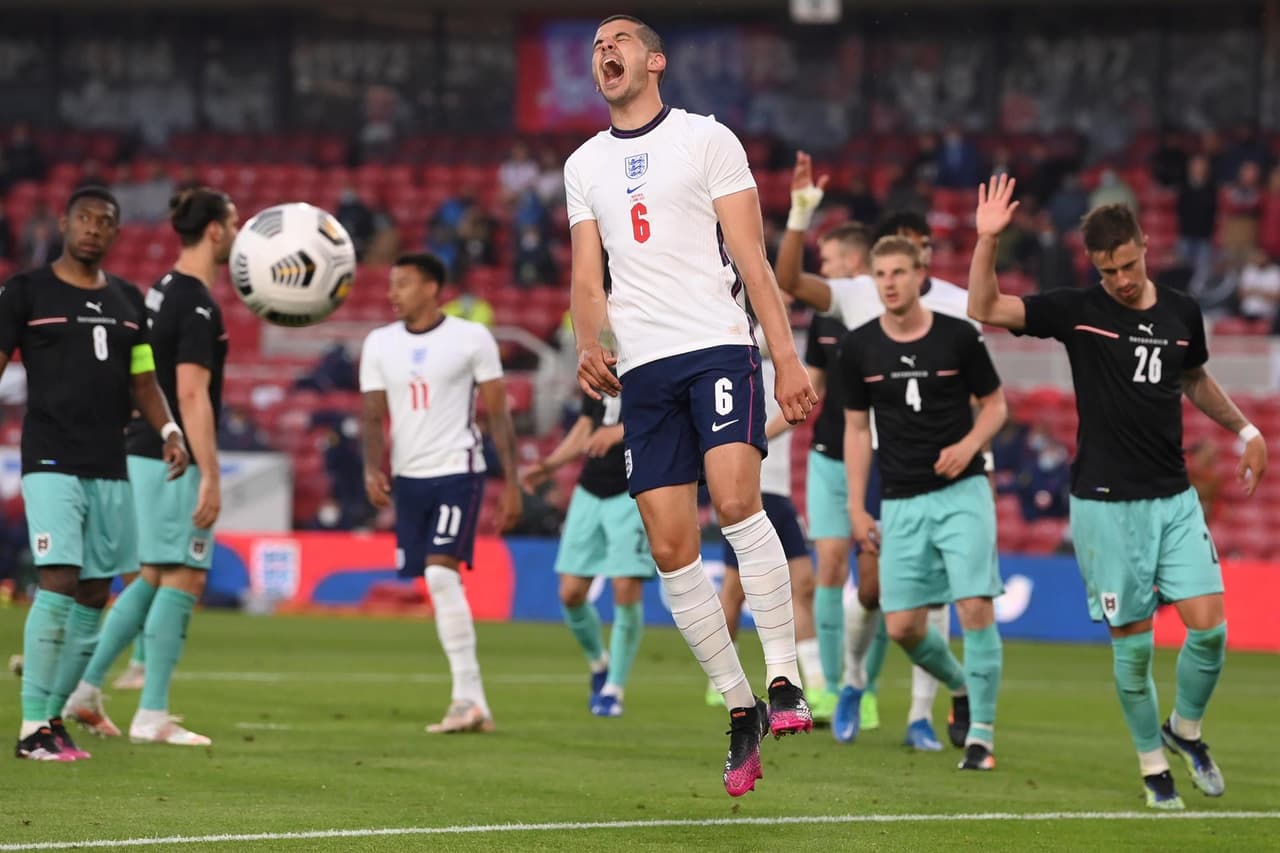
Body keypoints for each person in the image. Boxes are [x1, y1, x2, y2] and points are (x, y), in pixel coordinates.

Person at [566, 15, 818, 797]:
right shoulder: (583, 164)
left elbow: (752, 259)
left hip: (717, 344)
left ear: (655, 61)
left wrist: (785, 358)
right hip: (644, 372)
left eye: (619, 41)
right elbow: (587, 278)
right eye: (597, 46)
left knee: (738, 499)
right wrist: (588, 341)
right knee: (671, 547)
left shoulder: (707, 138)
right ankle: (741, 707)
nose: (605, 52)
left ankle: (784, 675)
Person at [968, 174, 1269, 808]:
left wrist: (1246, 430)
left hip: (1173, 498)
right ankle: (1154, 768)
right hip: (1105, 507)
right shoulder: (1080, 311)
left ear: (1144, 244)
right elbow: (985, 307)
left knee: (1210, 633)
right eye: (1109, 271)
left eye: (1128, 265)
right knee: (1133, 653)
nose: (1122, 280)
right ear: (1094, 265)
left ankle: (1185, 730)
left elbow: (1194, 378)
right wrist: (987, 240)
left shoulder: (1182, 311)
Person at [776, 155, 966, 751]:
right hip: (860, 457)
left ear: (926, 260)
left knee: (928, 595)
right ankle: (848, 683)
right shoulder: (852, 300)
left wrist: (969, 447)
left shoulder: (956, 306)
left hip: (930, 464)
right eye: (891, 260)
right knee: (867, 586)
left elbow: (986, 387)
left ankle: (925, 714)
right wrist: (800, 213)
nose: (898, 273)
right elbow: (790, 282)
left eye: (914, 254)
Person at [1, 187, 189, 761]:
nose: (92, 228)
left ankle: (53, 717)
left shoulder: (129, 300)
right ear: (64, 223)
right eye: (83, 218)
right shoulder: (26, 291)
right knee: (58, 579)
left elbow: (143, 382)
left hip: (110, 463)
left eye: (104, 221)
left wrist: (170, 430)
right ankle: (32, 727)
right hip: (50, 459)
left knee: (93, 591)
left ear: (115, 232)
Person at [64, 188, 237, 747]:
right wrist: (211, 474)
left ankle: (85, 689)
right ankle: (152, 713)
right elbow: (190, 393)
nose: (237, 235)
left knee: (155, 574)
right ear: (215, 231)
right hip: (173, 456)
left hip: (143, 449)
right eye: (233, 224)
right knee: (184, 574)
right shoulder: (196, 304)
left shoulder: (160, 290)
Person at [841, 235, 1008, 772]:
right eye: (880, 274)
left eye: (899, 272)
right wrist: (856, 507)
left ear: (920, 275)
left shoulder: (958, 336)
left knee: (974, 607)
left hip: (962, 493)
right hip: (900, 500)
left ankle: (981, 738)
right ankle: (960, 685)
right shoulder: (859, 346)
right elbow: (855, 429)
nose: (889, 283)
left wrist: (968, 446)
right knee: (902, 627)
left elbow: (996, 406)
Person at [359, 253, 522, 735]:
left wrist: (512, 483)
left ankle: (466, 698)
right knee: (435, 580)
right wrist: (371, 468)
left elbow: (498, 414)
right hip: (408, 478)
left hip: (458, 470)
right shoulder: (378, 343)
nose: (393, 292)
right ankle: (474, 704)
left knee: (439, 573)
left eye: (404, 283)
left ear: (432, 287)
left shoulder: (471, 337)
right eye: (392, 283)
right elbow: (372, 414)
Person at [708, 325, 822, 717]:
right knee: (734, 589)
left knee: (803, 583)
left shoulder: (789, 354)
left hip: (779, 491)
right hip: (747, 488)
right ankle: (721, 679)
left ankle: (817, 684)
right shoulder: (740, 340)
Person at [521, 385, 654, 718]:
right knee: (570, 593)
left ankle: (613, 689)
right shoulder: (598, 370)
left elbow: (668, 414)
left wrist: (619, 432)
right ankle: (599, 663)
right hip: (590, 490)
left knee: (625, 587)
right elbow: (585, 426)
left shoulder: (652, 361)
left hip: (633, 489)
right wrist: (548, 465)